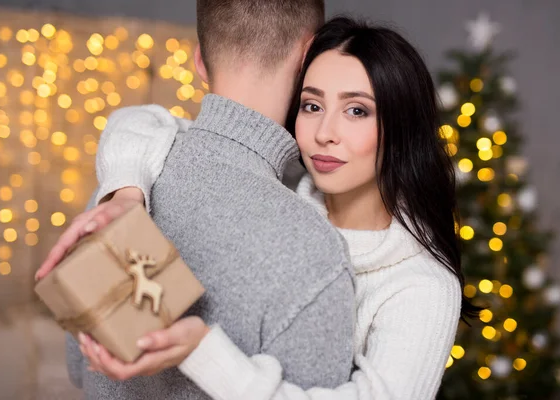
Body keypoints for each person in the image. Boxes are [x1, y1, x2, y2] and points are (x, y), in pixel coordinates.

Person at [41, 14, 476, 399]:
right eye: (312, 105)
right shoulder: (285, 186)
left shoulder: (422, 286)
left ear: (401, 127)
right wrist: (126, 191)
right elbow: (139, 122)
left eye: (357, 111)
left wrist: (205, 352)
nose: (325, 132)